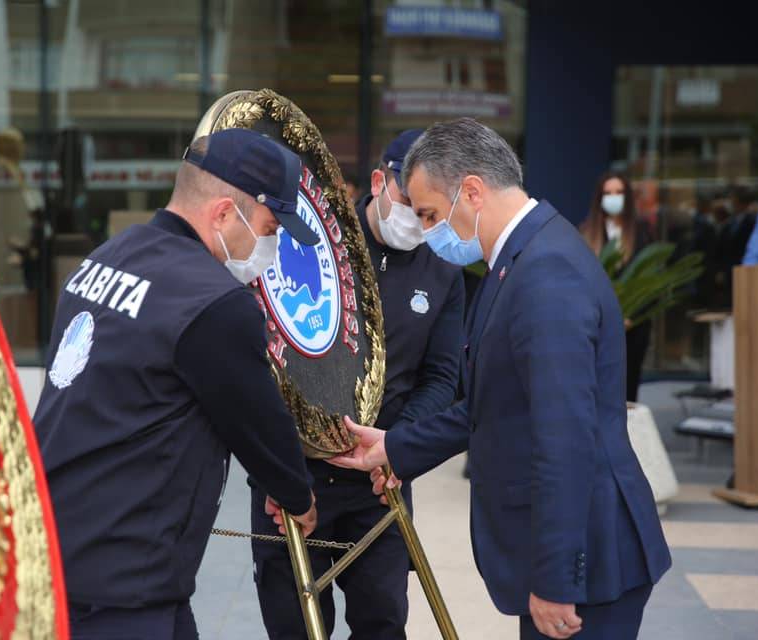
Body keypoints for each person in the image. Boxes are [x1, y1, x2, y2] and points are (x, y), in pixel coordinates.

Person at [329, 118, 671, 640]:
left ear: (471, 191)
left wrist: (556, 578)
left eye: (429, 214)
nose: (424, 231)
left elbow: (565, 437)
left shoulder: (546, 273)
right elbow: (492, 402)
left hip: (585, 567)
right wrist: (394, 446)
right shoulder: (518, 261)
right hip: (572, 555)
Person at [33, 128, 320, 639]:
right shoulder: (213, 302)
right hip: (123, 583)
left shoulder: (102, 259)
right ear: (225, 214)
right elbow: (260, 425)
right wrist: (297, 497)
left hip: (57, 549)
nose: (272, 246)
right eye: (271, 227)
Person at [250, 129, 465, 640]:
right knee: (296, 626)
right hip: (293, 475)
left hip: (378, 479)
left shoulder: (445, 269)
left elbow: (441, 377)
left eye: (432, 210)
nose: (419, 219)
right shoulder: (318, 244)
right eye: (410, 203)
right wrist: (276, 463)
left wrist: (398, 446)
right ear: (380, 182)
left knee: (383, 620)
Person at [578, 172, 654, 402]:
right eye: (608, 193)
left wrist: (632, 315)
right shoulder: (585, 232)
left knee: (627, 388)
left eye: (619, 192)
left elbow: (651, 279)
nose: (613, 198)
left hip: (633, 327)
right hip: (596, 325)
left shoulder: (641, 233)